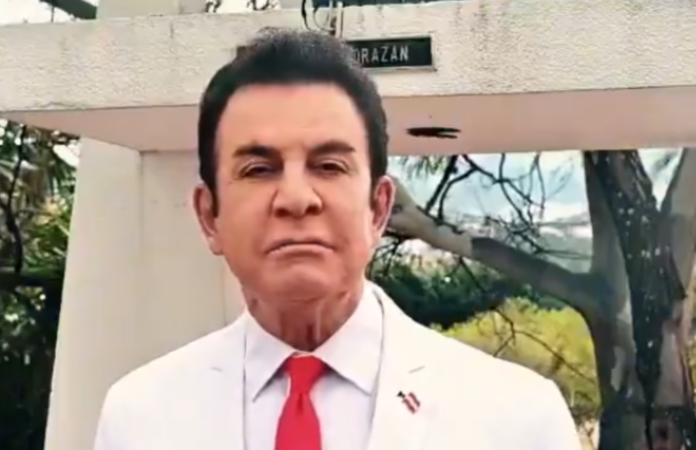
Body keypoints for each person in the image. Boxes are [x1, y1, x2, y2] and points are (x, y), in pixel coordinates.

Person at [92, 29, 582, 450]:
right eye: (258, 169)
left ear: (379, 209)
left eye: (329, 166)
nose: (296, 198)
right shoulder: (141, 418)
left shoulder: (516, 419)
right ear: (209, 216)